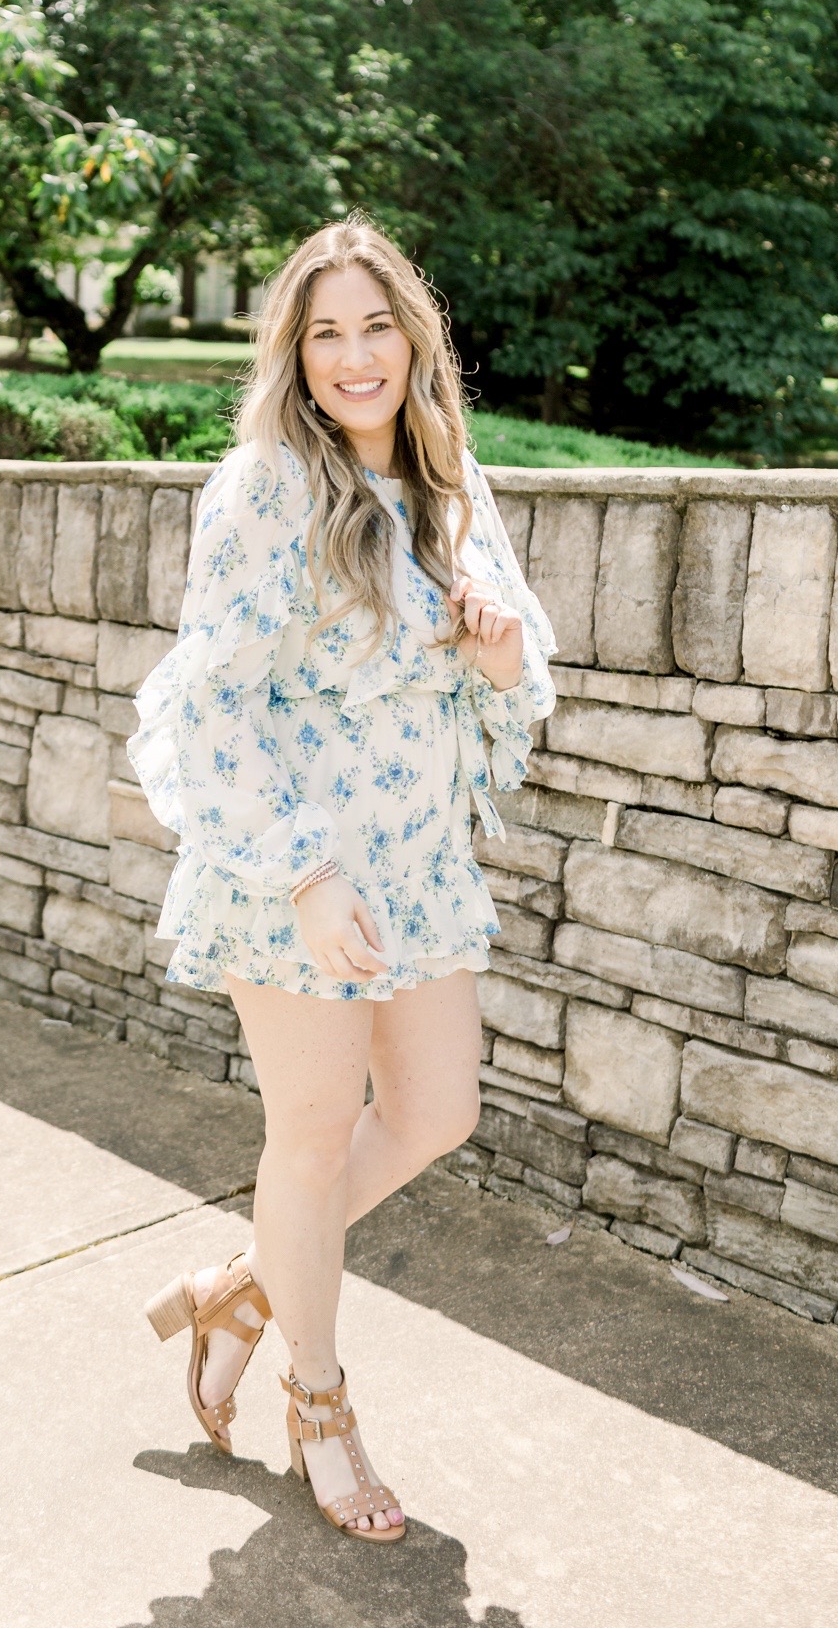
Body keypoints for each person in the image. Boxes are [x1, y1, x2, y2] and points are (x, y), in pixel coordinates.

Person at [128, 217, 556, 1543]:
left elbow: (522, 672)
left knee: (432, 1112)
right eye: (326, 332)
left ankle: (242, 1288)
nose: (354, 355)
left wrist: (489, 646)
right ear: (293, 353)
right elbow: (213, 706)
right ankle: (319, 1406)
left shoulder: (448, 480)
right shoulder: (264, 487)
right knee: (311, 1135)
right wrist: (303, 871)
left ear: (412, 339)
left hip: (420, 864)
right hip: (293, 864)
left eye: (376, 326)